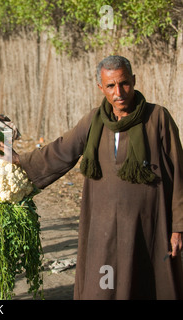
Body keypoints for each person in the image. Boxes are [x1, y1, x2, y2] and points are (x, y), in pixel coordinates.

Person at [12, 55, 183, 299]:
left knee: (146, 285)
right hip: (103, 228)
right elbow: (61, 151)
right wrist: (20, 161)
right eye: (111, 86)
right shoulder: (94, 121)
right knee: (104, 286)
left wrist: (178, 228)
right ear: (100, 87)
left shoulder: (157, 118)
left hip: (148, 225)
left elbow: (178, 173)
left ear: (133, 80)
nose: (119, 92)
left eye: (124, 83)